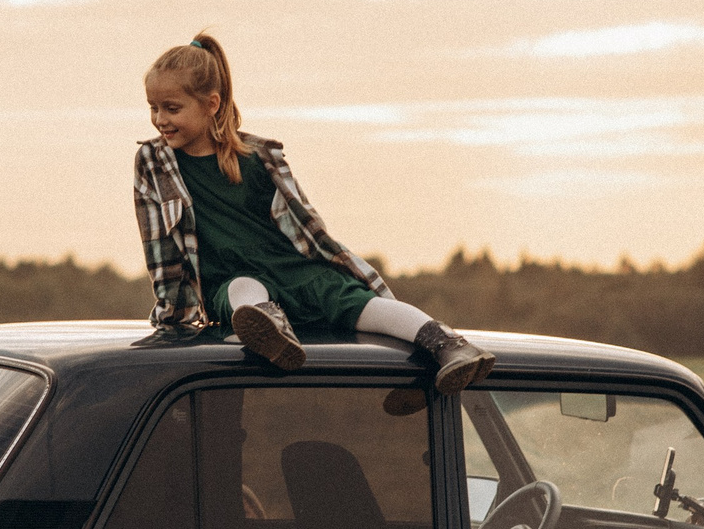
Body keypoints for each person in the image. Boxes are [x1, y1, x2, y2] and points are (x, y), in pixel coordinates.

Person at [137, 33, 494, 394]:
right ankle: (269, 329)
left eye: (171, 108)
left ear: (211, 104)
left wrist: (338, 269)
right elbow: (161, 250)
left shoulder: (259, 158)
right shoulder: (155, 163)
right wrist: (172, 319)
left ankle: (447, 345)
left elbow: (308, 229)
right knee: (244, 288)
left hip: (293, 270)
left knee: (360, 304)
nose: (159, 119)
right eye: (153, 108)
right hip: (232, 284)